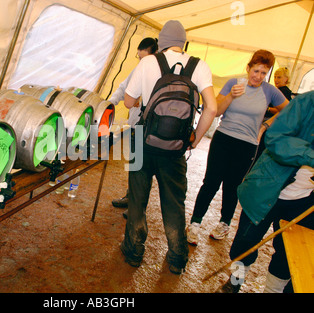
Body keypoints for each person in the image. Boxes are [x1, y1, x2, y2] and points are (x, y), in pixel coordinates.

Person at [120, 20, 217, 274]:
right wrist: (193, 139)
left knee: (138, 199)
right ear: (183, 43)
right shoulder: (200, 66)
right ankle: (176, 257)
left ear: (161, 42)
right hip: (176, 149)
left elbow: (129, 102)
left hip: (142, 141)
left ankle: (133, 251)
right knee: (174, 202)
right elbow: (212, 108)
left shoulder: (148, 62)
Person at [186, 50, 290, 245]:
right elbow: (215, 111)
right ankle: (195, 223)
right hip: (224, 139)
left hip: (248, 145)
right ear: (248, 68)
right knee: (211, 182)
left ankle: (224, 223)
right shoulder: (233, 83)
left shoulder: (269, 91)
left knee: (233, 186)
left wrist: (265, 126)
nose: (259, 76)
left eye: (263, 73)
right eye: (256, 71)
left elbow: (290, 108)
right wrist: (230, 97)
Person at [218, 91, 314, 293]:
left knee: (289, 254)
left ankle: (273, 291)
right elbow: (275, 139)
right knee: (246, 240)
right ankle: (235, 281)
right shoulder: (307, 102)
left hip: (305, 200)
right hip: (267, 188)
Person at [110, 37, 158, 214]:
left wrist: (142, 100)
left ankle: (137, 207)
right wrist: (110, 103)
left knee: (144, 168)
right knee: (134, 165)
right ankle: (131, 197)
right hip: (135, 126)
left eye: (144, 58)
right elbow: (124, 87)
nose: (141, 62)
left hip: (150, 129)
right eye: (139, 58)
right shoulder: (139, 69)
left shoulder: (160, 74)